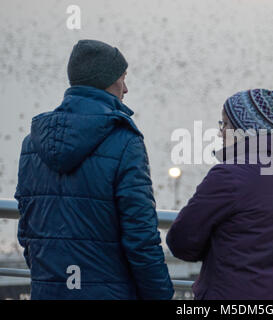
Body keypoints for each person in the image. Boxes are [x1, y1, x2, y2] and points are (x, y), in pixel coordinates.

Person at [14, 39, 174, 300]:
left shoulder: (32, 142)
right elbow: (140, 236)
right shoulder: (124, 141)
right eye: (123, 78)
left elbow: (27, 228)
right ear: (109, 80)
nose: (127, 88)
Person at [166, 89, 273, 299]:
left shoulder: (229, 175)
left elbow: (181, 241)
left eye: (226, 125)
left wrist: (214, 247)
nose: (220, 132)